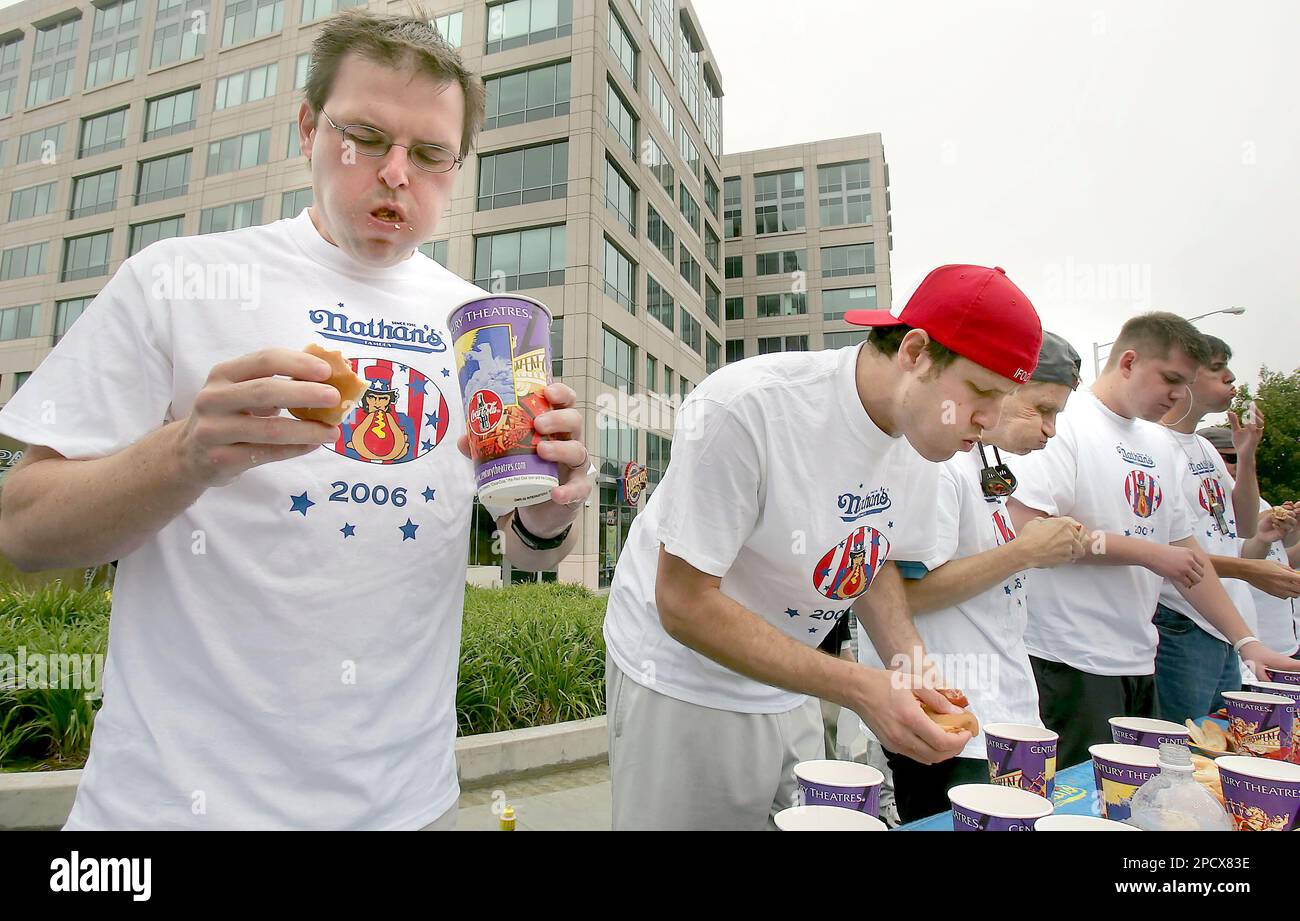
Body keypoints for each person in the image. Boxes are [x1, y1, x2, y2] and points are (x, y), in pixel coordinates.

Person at [0, 10, 594, 830]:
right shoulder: (178, 280)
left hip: (407, 809)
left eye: (429, 155)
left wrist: (548, 507)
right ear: (310, 128)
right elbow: (22, 527)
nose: (395, 174)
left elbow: (531, 546)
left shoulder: (481, 327)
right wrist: (185, 455)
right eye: (366, 138)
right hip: (170, 813)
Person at [603, 264, 1044, 829]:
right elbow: (684, 602)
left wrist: (912, 669)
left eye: (1005, 398)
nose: (988, 421)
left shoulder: (923, 443)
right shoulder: (749, 407)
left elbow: (873, 560)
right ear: (914, 352)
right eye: (980, 391)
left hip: (792, 681)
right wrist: (861, 688)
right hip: (683, 678)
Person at [1008, 312, 1300, 768]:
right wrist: (1147, 552)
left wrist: (1247, 642)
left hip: (1141, 660)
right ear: (1127, 361)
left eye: (1185, 384)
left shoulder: (1160, 444)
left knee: (1143, 795)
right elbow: (1028, 531)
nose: (1178, 395)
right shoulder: (1066, 423)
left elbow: (1188, 558)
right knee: (1077, 804)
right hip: (1066, 659)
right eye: (1170, 379)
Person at [865, 332, 1089, 822]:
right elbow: (900, 595)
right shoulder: (939, 468)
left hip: (1008, 710)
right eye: (1041, 409)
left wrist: (1033, 549)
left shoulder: (983, 463)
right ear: (1000, 388)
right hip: (952, 718)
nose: (1051, 430)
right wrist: (1022, 553)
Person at [1153, 336, 1300, 721]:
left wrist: (1247, 453)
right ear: (1185, 374)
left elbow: (1244, 525)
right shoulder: (1158, 447)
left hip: (1225, 623)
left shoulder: (1203, 448)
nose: (1231, 377)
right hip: (1184, 620)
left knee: (1221, 741)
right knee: (1186, 742)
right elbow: (1166, 549)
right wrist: (1251, 570)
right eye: (1217, 368)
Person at [1198, 426, 1300, 657]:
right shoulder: (1204, 505)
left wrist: (1290, 530)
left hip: (1282, 640)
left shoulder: (1259, 503)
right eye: (1229, 457)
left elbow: (1282, 558)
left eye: (1241, 456)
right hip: (1238, 640)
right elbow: (1239, 564)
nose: (1235, 465)